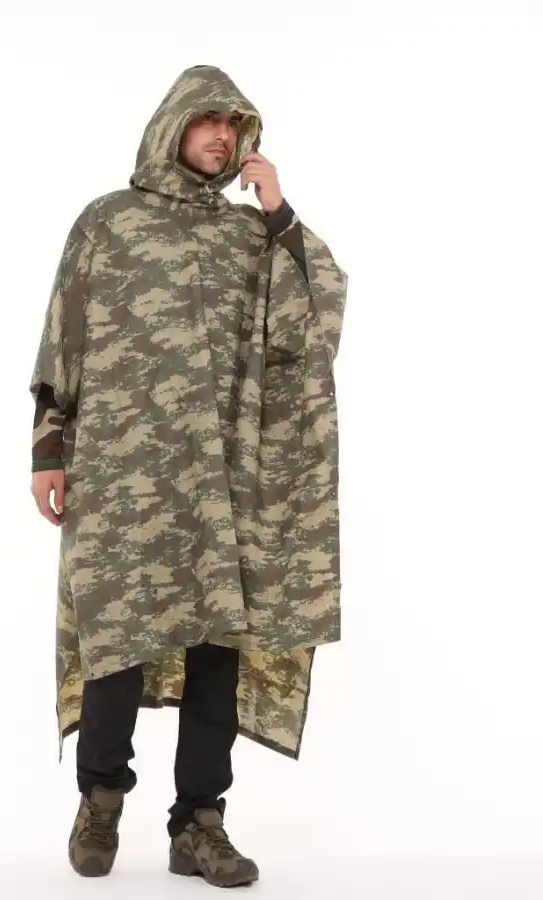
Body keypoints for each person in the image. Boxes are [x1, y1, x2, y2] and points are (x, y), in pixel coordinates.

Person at [29, 64, 347, 888]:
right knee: (116, 638)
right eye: (209, 121)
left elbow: (314, 317)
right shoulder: (109, 222)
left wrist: (277, 213)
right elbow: (64, 338)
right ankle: (100, 800)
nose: (222, 137)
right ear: (173, 125)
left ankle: (198, 823)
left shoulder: (251, 237)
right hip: (121, 473)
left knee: (216, 649)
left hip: (224, 479)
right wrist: (48, 450)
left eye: (235, 126)